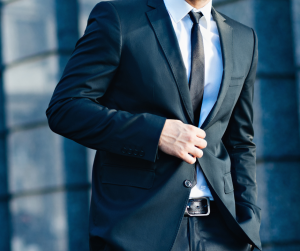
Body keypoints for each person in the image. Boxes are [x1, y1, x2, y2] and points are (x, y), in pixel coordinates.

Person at [46, 0, 261, 250]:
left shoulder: (244, 38)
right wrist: (156, 133)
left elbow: (240, 141)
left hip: (223, 232)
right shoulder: (118, 18)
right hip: (139, 230)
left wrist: (249, 219)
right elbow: (66, 107)